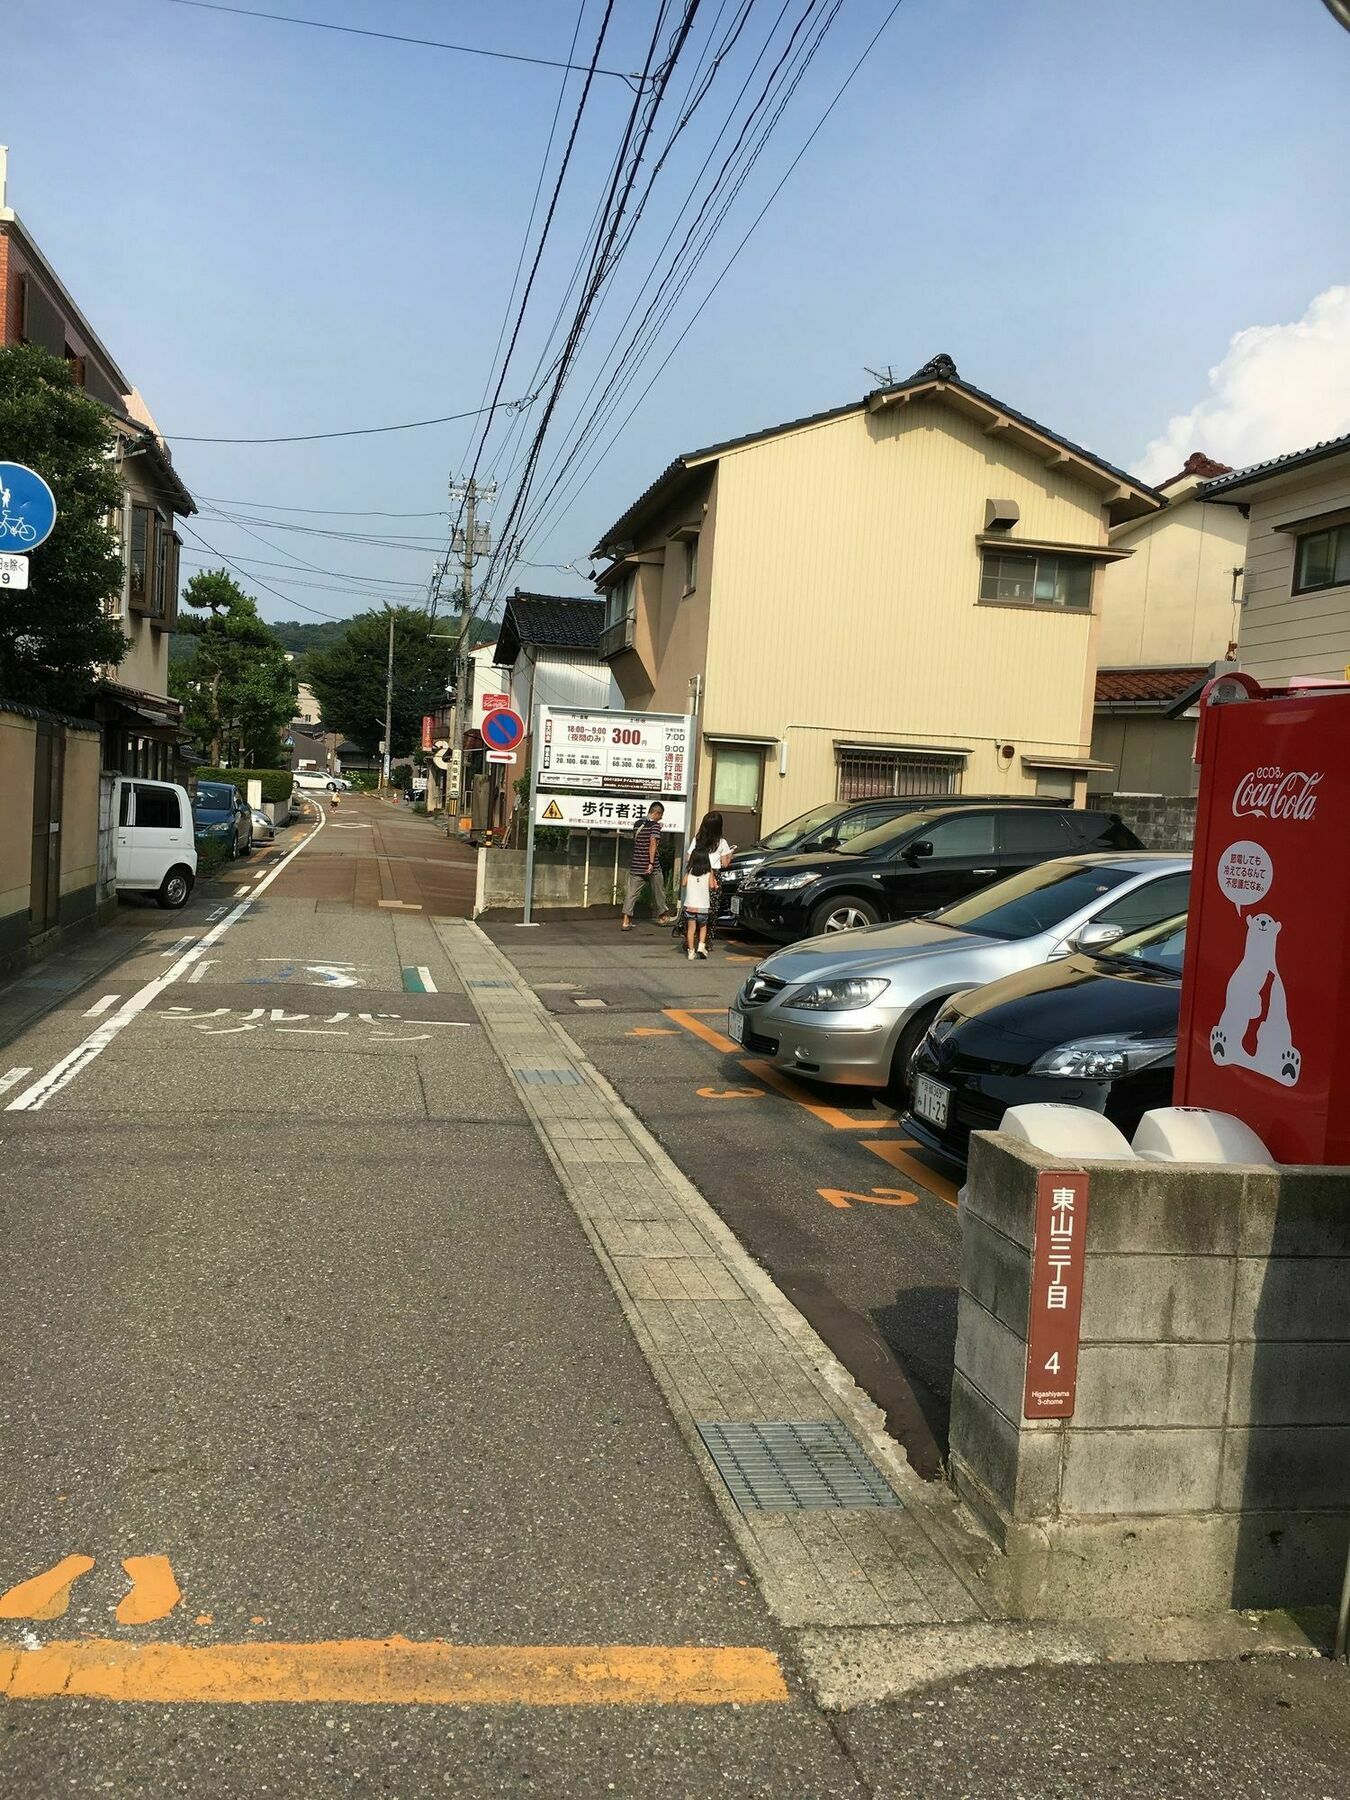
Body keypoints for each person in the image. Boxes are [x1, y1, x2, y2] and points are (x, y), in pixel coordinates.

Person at [622, 802, 672, 930]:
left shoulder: (637, 824)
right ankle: (662, 917)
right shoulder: (655, 826)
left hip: (636, 865)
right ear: (656, 813)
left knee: (631, 893)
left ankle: (626, 921)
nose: (661, 818)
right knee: (659, 892)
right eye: (661, 815)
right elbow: (652, 844)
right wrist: (650, 863)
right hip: (652, 866)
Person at [682, 843, 717, 959]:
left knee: (691, 929)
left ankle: (691, 951)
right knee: (703, 926)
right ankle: (701, 946)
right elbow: (712, 886)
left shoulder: (690, 870)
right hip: (703, 905)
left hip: (690, 905)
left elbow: (683, 883)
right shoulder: (709, 872)